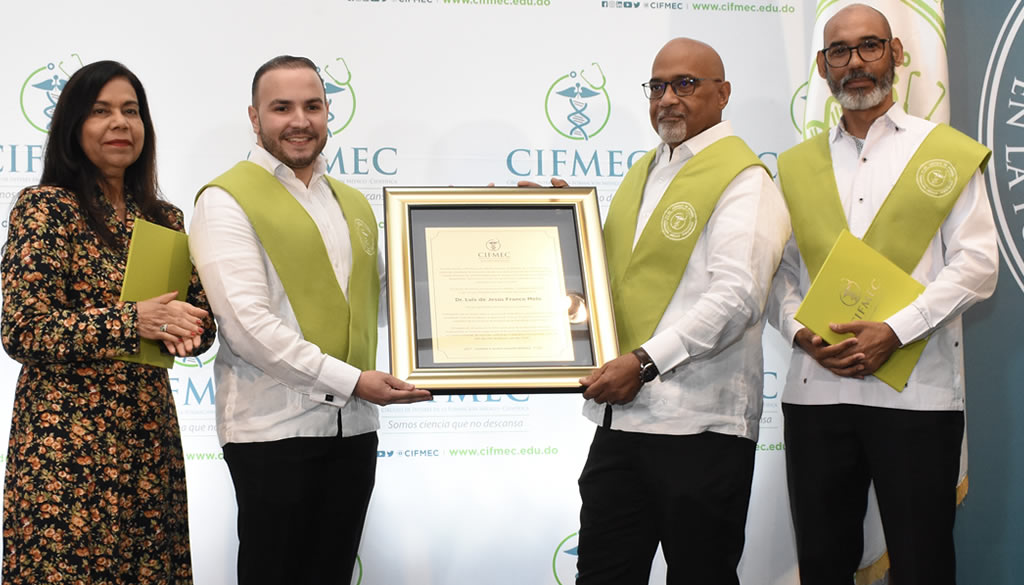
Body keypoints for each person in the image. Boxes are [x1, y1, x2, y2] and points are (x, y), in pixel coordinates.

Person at [769, 4, 998, 584]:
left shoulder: (944, 152)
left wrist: (895, 330)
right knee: (822, 566)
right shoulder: (795, 167)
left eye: (869, 46)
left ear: (895, 53)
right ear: (822, 66)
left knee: (923, 567)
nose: (856, 63)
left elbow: (978, 265)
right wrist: (800, 331)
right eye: (840, 51)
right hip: (816, 397)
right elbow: (777, 274)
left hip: (917, 398)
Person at [189, 55, 432, 585]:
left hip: (354, 430)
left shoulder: (351, 202)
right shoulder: (225, 200)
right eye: (282, 107)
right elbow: (246, 327)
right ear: (254, 117)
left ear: (327, 113)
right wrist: (353, 382)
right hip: (273, 433)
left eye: (312, 106)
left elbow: (388, 298)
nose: (299, 120)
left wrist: (489, 229)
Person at [572, 38, 789, 584]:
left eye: (685, 84)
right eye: (657, 86)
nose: (667, 98)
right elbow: (618, 280)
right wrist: (554, 223)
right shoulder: (644, 173)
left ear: (723, 92)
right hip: (621, 424)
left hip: (701, 429)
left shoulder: (744, 180)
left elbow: (737, 297)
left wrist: (644, 362)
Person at [1, 60, 215, 585]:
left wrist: (189, 330)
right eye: (101, 111)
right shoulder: (46, 208)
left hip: (148, 441)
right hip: (66, 447)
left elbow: (200, 317)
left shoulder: (164, 218)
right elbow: (24, 329)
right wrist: (131, 321)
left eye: (131, 111)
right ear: (73, 127)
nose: (120, 123)